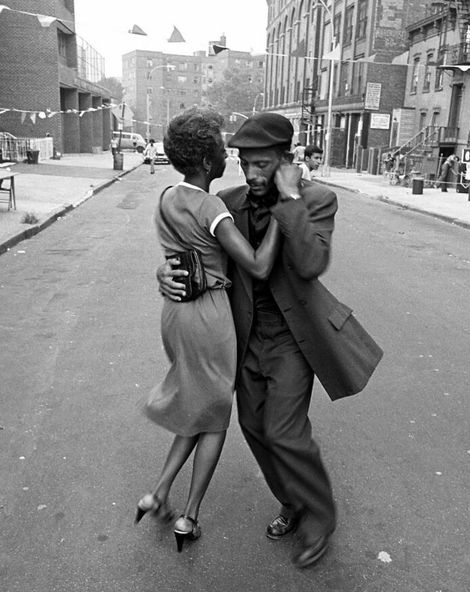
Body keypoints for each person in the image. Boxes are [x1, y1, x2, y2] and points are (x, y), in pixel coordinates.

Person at [157, 112, 383, 568]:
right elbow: (196, 256)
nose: (252, 174)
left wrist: (291, 198)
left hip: (292, 338)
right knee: (254, 429)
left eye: (263, 165)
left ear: (286, 160)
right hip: (238, 336)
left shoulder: (318, 199)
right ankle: (292, 500)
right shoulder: (225, 200)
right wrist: (165, 274)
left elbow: (311, 262)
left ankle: (320, 517)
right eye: (245, 163)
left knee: (284, 430)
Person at [136, 107, 282, 554]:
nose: (227, 155)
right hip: (209, 316)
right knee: (215, 416)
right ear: (205, 162)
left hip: (175, 314)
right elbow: (256, 266)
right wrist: (282, 214)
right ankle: (190, 514)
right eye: (221, 149)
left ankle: (158, 492)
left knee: (198, 404)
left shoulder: (166, 196)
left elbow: (177, 253)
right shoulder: (211, 205)